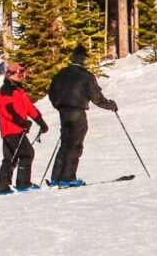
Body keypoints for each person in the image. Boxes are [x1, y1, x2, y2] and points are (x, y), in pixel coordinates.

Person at [47, 45, 119, 186]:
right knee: (75, 145)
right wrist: (110, 105)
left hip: (64, 112)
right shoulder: (85, 75)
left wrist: (59, 105)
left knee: (65, 145)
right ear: (84, 59)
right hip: (77, 112)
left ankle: (56, 178)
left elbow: (51, 94)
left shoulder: (60, 74)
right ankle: (68, 178)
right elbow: (96, 97)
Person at [0, 62, 48, 194]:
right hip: (11, 129)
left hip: (16, 129)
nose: (21, 76)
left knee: (10, 158)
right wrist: (22, 122)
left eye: (23, 73)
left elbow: (29, 107)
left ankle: (3, 187)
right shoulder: (6, 91)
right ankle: (23, 184)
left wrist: (40, 122)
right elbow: (7, 111)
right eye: (18, 73)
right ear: (10, 75)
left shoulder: (18, 90)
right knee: (26, 154)